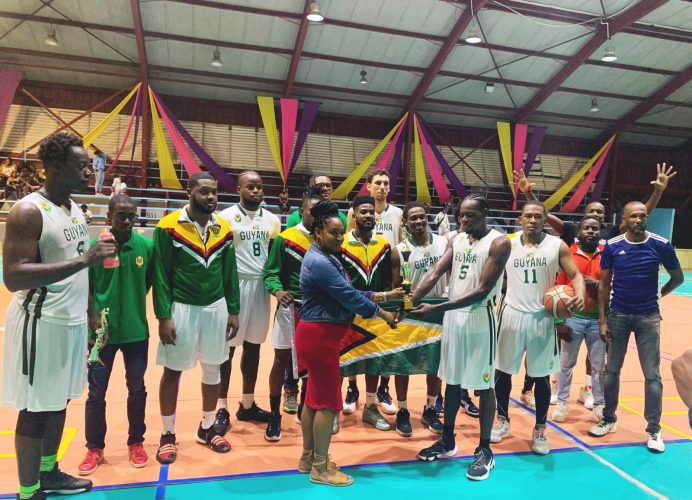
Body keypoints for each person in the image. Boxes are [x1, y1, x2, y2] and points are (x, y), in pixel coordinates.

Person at [1, 132, 117, 499]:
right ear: (53, 167)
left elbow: (79, 271)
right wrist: (86, 259)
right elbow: (14, 275)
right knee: (37, 408)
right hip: (41, 322)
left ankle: (49, 472)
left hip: (72, 322)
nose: (88, 171)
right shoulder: (28, 211)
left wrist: (91, 311)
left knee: (60, 400)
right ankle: (28, 490)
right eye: (81, 165)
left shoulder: (73, 209)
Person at [516, 163, 677, 406]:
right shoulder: (572, 232)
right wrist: (528, 194)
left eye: (601, 213)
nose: (597, 216)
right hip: (573, 309)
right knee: (563, 354)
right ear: (583, 218)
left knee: (597, 358)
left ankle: (588, 389)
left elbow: (640, 217)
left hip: (600, 310)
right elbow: (543, 216)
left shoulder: (610, 235)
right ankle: (554, 388)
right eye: (593, 211)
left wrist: (657, 192)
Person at [295, 200, 399, 487]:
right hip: (320, 337)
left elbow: (350, 291)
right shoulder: (320, 261)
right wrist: (383, 313)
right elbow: (349, 297)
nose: (340, 238)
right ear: (318, 233)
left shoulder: (325, 256)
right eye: (333, 233)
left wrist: (383, 296)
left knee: (314, 401)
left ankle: (307, 457)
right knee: (328, 403)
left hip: (318, 335)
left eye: (342, 232)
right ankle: (320, 468)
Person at [411, 193, 510, 481]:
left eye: (470, 215)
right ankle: (448, 440)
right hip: (454, 318)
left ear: (486, 213)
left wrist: (436, 308)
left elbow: (482, 289)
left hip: (480, 318)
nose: (464, 219)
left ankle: (484, 450)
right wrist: (412, 298)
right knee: (451, 382)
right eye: (461, 215)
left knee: (483, 386)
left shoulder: (499, 242)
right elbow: (435, 271)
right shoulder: (456, 240)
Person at [152, 172, 240, 463]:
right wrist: (164, 315)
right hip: (182, 307)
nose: (211, 197)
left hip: (216, 307)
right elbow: (161, 275)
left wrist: (234, 310)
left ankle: (206, 427)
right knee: (173, 371)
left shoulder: (224, 229)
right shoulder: (167, 228)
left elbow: (230, 273)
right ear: (189, 192)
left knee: (213, 368)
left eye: (214, 192)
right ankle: (167, 433)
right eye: (204, 192)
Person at [491, 201, 585, 455]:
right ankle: (503, 420)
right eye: (528, 216)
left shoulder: (557, 245)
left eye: (538, 217)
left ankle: (541, 428)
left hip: (542, 317)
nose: (532, 220)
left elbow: (575, 275)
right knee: (503, 372)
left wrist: (579, 295)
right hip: (510, 314)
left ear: (545, 220)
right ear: (520, 219)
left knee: (541, 377)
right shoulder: (506, 243)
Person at [589, 201, 683, 452]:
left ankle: (654, 430)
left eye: (643, 216)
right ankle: (609, 418)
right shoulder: (613, 246)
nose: (639, 220)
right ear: (624, 219)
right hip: (618, 315)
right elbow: (603, 285)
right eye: (633, 216)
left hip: (648, 318)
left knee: (652, 374)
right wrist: (602, 320)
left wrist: (659, 295)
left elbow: (678, 277)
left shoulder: (660, 245)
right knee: (611, 371)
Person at [78, 194, 153, 475]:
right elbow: (84, 286)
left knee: (137, 388)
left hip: (136, 332)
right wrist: (93, 317)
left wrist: (131, 305)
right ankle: (94, 448)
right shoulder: (94, 248)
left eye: (131, 215)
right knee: (96, 392)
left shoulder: (146, 247)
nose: (127, 220)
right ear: (108, 217)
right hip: (101, 335)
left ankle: (136, 442)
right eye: (121, 215)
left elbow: (147, 283)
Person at [217, 171, 281, 440]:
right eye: (251, 187)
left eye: (260, 187)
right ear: (239, 189)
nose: (256, 191)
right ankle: (221, 408)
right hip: (235, 286)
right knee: (227, 350)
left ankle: (247, 403)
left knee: (254, 347)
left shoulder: (273, 220)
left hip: (260, 288)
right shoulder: (225, 217)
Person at [339, 196, 404, 432]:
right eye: (362, 212)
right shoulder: (341, 244)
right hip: (347, 312)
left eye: (371, 213)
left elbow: (390, 281)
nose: (367, 216)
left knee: (374, 361)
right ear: (353, 215)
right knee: (342, 359)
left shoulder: (385, 246)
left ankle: (369, 406)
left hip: (375, 312)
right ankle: (336, 407)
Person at [263, 188, 323, 440]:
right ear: (301, 212)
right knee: (280, 360)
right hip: (290, 308)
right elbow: (271, 272)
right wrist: (277, 291)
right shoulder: (284, 239)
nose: (318, 216)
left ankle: (304, 408)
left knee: (312, 364)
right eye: (313, 212)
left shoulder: (326, 239)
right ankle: (275, 414)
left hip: (316, 310)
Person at [390, 202, 446, 436]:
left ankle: (431, 408)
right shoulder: (398, 250)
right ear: (405, 223)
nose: (419, 221)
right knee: (403, 365)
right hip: (410, 311)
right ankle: (402, 410)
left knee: (435, 365)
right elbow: (395, 286)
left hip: (438, 310)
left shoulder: (444, 244)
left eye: (422, 217)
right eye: (413, 218)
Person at [552, 216, 607, 424]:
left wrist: (596, 284)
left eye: (595, 228)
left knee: (599, 366)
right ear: (579, 232)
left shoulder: (607, 255)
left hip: (596, 319)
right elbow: (559, 289)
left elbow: (611, 285)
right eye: (586, 228)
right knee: (566, 363)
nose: (591, 231)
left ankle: (600, 405)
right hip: (573, 318)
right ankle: (563, 402)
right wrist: (559, 322)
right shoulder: (569, 255)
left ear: (600, 232)